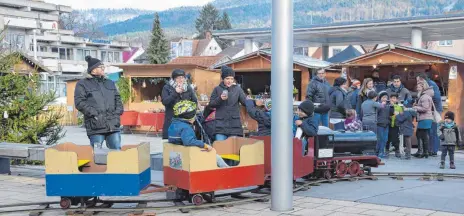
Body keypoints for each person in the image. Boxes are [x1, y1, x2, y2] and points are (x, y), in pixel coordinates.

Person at [74, 56, 123, 150]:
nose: (103, 68)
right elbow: (79, 102)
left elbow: (118, 99)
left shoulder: (110, 83)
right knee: (97, 155)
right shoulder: (82, 84)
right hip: (96, 126)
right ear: (93, 69)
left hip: (113, 125)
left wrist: (117, 113)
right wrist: (95, 115)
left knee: (117, 153)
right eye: (101, 67)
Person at [168, 100, 229, 168]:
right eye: (194, 115)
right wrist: (204, 145)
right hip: (190, 153)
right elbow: (189, 141)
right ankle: (227, 171)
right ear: (189, 117)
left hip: (179, 153)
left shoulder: (174, 124)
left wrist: (207, 109)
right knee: (217, 157)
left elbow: (199, 118)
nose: (195, 117)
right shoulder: (186, 128)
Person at [209, 66, 247, 141]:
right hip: (220, 126)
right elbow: (211, 104)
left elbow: (245, 102)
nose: (229, 81)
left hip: (234, 125)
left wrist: (254, 103)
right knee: (220, 149)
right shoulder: (217, 89)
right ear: (223, 79)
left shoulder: (238, 89)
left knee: (233, 150)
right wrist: (220, 99)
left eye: (231, 78)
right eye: (227, 78)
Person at [161, 69, 198, 139]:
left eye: (182, 77)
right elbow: (165, 102)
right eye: (178, 78)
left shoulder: (188, 88)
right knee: (170, 144)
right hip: (171, 121)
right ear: (174, 79)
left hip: (185, 121)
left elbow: (194, 102)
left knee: (185, 142)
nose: (181, 79)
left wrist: (192, 116)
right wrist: (175, 92)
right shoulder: (167, 87)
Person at [417, 72, 442, 157]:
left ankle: (434, 150)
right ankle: (429, 150)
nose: (417, 83)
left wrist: (431, 107)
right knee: (429, 132)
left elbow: (437, 98)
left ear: (422, 79)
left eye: (418, 81)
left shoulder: (431, 85)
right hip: (431, 110)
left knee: (433, 131)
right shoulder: (428, 85)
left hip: (434, 110)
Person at [412, 81, 434, 158]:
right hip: (425, 118)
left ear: (423, 87)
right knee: (421, 135)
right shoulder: (424, 96)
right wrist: (417, 105)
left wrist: (415, 107)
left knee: (422, 135)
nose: (417, 89)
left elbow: (425, 108)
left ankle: (423, 152)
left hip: (425, 118)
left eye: (419, 87)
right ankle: (423, 152)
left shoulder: (425, 96)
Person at [375, 91, 393, 158]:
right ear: (380, 98)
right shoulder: (378, 104)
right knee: (380, 139)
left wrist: (392, 106)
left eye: (386, 97)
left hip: (386, 124)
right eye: (383, 97)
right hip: (379, 124)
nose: (385, 98)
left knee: (385, 139)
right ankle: (378, 152)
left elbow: (391, 113)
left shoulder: (388, 105)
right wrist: (381, 105)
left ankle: (382, 152)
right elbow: (376, 112)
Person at [387, 93, 404, 158]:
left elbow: (402, 116)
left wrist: (398, 115)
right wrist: (390, 116)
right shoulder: (387, 106)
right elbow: (385, 115)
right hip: (388, 124)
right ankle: (386, 150)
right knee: (387, 139)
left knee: (395, 139)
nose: (393, 99)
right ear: (390, 99)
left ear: (397, 100)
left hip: (395, 125)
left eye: (394, 98)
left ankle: (397, 151)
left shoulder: (399, 107)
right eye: (392, 98)